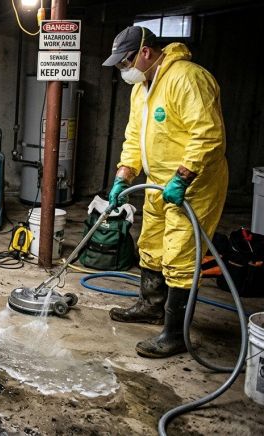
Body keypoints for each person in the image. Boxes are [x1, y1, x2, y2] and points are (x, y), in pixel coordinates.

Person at [103, 27, 227, 357]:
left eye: (124, 62)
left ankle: (175, 334)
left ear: (145, 52)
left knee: (181, 257)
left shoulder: (188, 78)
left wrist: (183, 178)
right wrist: (123, 177)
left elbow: (208, 134)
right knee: (152, 245)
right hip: (158, 183)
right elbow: (134, 139)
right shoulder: (141, 88)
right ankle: (151, 304)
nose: (122, 70)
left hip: (192, 187)